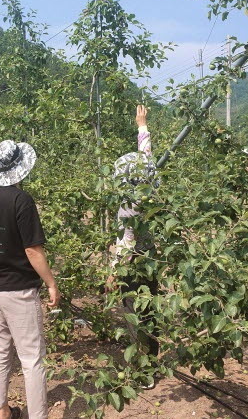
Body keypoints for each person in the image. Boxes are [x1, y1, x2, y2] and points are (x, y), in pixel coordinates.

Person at [0, 140, 61, 419]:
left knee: (0, 351)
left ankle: (2, 411)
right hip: (18, 290)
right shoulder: (21, 200)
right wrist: (51, 283)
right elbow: (32, 249)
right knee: (32, 357)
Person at [106, 105, 160, 359]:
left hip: (134, 261)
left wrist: (113, 275)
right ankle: (152, 356)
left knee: (133, 311)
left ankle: (142, 367)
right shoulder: (148, 188)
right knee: (150, 307)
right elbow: (146, 156)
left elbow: (127, 244)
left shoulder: (129, 206)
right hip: (151, 256)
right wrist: (142, 125)